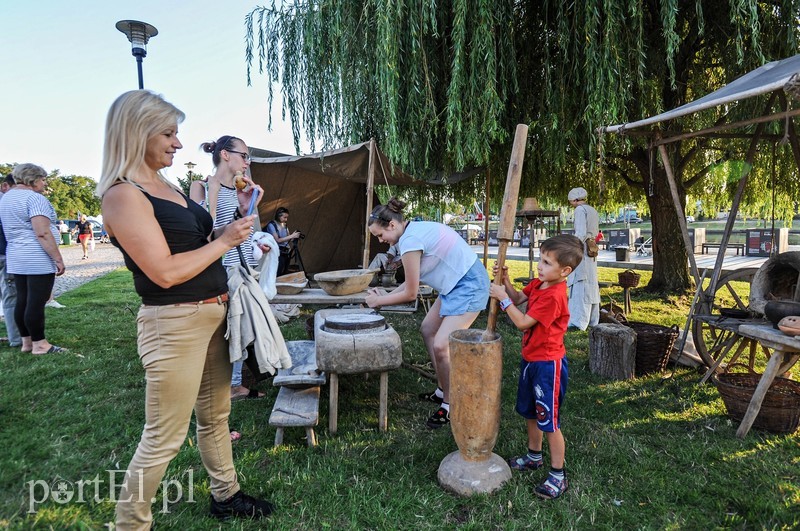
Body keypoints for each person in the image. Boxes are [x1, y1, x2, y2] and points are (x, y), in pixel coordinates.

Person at [97, 90, 273, 528]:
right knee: (163, 437)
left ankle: (226, 495)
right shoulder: (124, 195)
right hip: (173, 322)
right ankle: (131, 523)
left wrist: (242, 216)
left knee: (216, 416)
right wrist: (224, 242)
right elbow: (164, 272)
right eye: (169, 133)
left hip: (213, 314)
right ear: (136, 133)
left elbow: (200, 241)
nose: (178, 143)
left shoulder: (167, 186)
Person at [364, 197, 490, 429]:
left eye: (380, 235)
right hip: (453, 285)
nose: (381, 241)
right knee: (428, 330)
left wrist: (379, 301)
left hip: (469, 285)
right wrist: (385, 294)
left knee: (442, 345)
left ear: (392, 225)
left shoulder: (410, 240)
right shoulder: (412, 232)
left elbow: (411, 293)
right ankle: (443, 390)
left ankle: (451, 406)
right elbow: (414, 281)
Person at [488, 234, 583, 500]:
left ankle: (557, 475)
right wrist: (505, 281)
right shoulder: (540, 284)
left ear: (564, 271)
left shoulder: (554, 295)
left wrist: (501, 300)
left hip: (547, 366)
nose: (540, 266)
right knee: (531, 412)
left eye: (546, 262)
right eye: (541, 260)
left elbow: (522, 322)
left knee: (549, 421)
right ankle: (533, 457)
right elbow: (519, 298)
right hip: (532, 360)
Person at [192, 134, 268, 402]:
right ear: (225, 154)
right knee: (230, 327)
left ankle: (236, 381)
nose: (247, 162)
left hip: (243, 265)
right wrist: (213, 190)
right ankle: (231, 384)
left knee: (242, 325)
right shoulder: (200, 186)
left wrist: (248, 206)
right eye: (244, 155)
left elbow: (239, 229)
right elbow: (204, 233)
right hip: (222, 268)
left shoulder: (239, 190)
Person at [0, 164, 66, 354]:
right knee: (36, 301)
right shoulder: (34, 198)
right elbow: (42, 232)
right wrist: (58, 259)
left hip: (16, 255)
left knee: (23, 299)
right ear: (33, 179)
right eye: (43, 179)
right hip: (36, 256)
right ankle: (40, 344)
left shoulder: (7, 198)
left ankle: (26, 342)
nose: (44, 184)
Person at [566, 187, 600, 330]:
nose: (571, 205)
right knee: (591, 282)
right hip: (591, 247)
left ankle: (578, 321)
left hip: (583, 248)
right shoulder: (592, 209)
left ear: (575, 199)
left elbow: (580, 233)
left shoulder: (580, 210)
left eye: (571, 202)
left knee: (581, 282)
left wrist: (572, 249)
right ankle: (593, 318)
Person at [0, 174, 21, 347]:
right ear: (5, 186)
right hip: (3, 255)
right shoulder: (6, 203)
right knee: (11, 296)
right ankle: (16, 338)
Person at [264, 207, 301, 276]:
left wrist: (295, 236)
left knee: (284, 272)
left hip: (286, 251)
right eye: (284, 217)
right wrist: (292, 236)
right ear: (279, 215)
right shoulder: (272, 225)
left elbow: (288, 237)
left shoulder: (284, 225)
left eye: (287, 218)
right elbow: (277, 240)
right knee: (277, 272)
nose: (286, 219)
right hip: (277, 252)